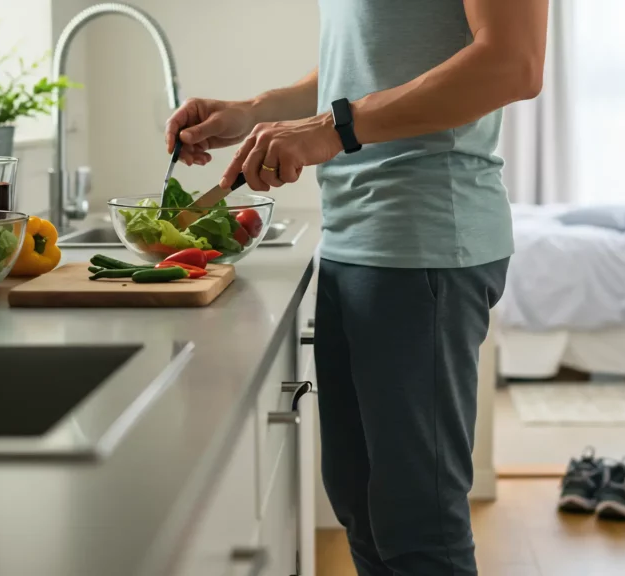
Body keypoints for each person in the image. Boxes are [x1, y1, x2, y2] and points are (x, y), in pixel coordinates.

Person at [165, 1, 548, 573]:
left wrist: (332, 126)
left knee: (417, 527)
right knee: (360, 505)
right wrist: (255, 112)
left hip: (421, 243)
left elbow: (514, 62)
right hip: (351, 238)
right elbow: (370, 62)